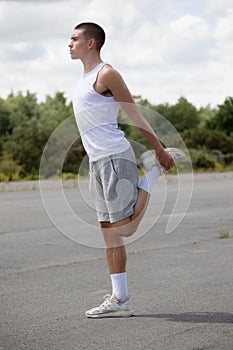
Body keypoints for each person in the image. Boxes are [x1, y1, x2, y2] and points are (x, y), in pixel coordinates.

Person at [69, 22, 185, 318]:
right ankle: (120, 300)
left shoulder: (106, 74)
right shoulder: (83, 78)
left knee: (127, 227)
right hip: (97, 163)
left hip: (114, 158)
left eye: (74, 39)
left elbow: (134, 113)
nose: (69, 44)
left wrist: (158, 149)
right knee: (110, 234)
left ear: (91, 43)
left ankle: (153, 170)